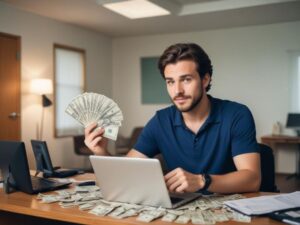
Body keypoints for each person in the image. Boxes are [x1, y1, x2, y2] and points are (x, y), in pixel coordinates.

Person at [84, 43, 261, 194]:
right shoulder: (161, 121)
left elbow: (252, 178)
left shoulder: (237, 114)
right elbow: (126, 172)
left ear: (205, 79)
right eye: (170, 81)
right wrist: (101, 152)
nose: (177, 91)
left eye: (186, 80)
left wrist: (202, 181)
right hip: (182, 208)